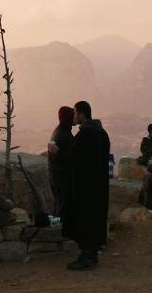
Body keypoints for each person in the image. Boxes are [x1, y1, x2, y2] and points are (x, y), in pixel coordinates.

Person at [59, 100, 111, 270]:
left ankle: (87, 256)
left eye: (75, 113)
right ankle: (92, 254)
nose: (74, 116)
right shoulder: (102, 133)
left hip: (85, 187)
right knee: (95, 219)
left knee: (84, 219)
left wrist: (57, 152)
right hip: (99, 186)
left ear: (81, 113)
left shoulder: (85, 135)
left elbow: (75, 159)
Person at [47, 106, 75, 220]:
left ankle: (56, 229)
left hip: (56, 174)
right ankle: (58, 231)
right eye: (73, 115)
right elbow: (67, 156)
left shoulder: (59, 131)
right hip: (61, 175)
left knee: (59, 203)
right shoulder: (64, 135)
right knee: (62, 205)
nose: (75, 117)